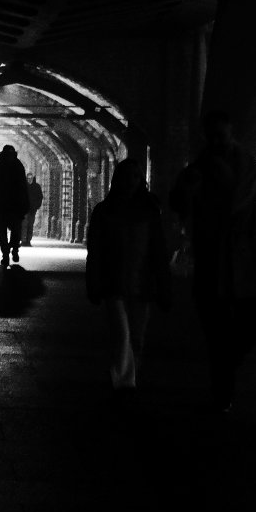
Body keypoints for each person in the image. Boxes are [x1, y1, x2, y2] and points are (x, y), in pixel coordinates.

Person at [169, 108, 256, 412]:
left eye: (223, 134)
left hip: (248, 259)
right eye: (213, 135)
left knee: (250, 324)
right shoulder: (197, 171)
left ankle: (226, 371)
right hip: (212, 259)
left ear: (232, 134)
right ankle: (222, 392)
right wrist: (187, 191)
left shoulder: (255, 172)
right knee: (217, 333)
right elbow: (177, 202)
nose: (218, 140)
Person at [86, 158, 171, 396]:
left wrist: (163, 285)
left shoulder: (149, 210)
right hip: (113, 281)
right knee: (121, 333)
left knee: (137, 334)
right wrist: (93, 282)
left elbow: (158, 250)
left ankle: (131, 375)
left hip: (141, 282)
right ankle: (124, 384)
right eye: (128, 176)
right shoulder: (104, 211)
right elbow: (95, 251)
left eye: (136, 176)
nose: (132, 181)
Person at [0, 144, 29, 267]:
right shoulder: (18, 165)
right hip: (15, 205)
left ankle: (6, 254)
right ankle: (13, 250)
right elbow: (23, 187)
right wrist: (24, 204)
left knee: (2, 232)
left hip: (1, 205)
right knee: (15, 230)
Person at [22, 171, 43, 246]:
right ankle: (23, 240)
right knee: (24, 225)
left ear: (33, 178)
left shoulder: (37, 187)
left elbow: (40, 197)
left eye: (31, 178)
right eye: (28, 178)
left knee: (30, 225)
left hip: (32, 209)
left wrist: (37, 206)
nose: (29, 180)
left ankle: (28, 240)